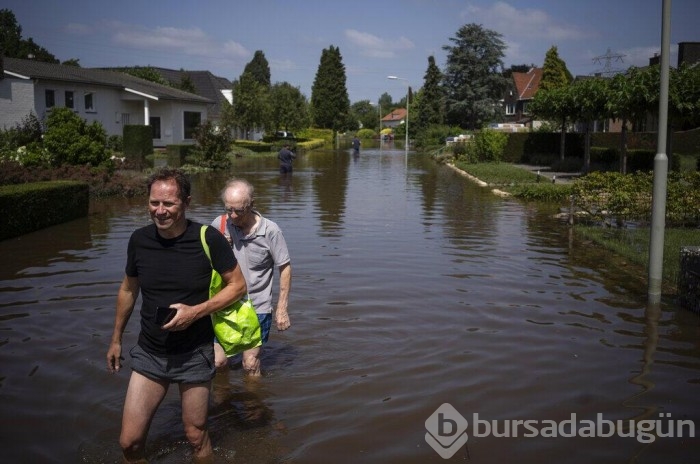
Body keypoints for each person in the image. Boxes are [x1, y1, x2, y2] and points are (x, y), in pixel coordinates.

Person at [106, 168, 247, 462]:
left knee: (196, 436)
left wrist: (196, 312)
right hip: (150, 351)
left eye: (168, 204)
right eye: (154, 203)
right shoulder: (139, 240)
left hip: (195, 353)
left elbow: (238, 286)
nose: (160, 211)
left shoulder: (208, 238)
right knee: (129, 442)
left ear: (186, 202)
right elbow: (129, 289)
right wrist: (116, 339)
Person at [211, 178, 292, 376]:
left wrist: (282, 308)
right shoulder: (220, 225)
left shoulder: (270, 231)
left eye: (238, 210)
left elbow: (285, 267)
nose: (232, 215)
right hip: (226, 305)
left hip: (257, 306)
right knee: (218, 362)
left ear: (251, 205)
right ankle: (225, 399)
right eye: (228, 209)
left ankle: (254, 405)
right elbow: (206, 263)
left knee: (250, 363)